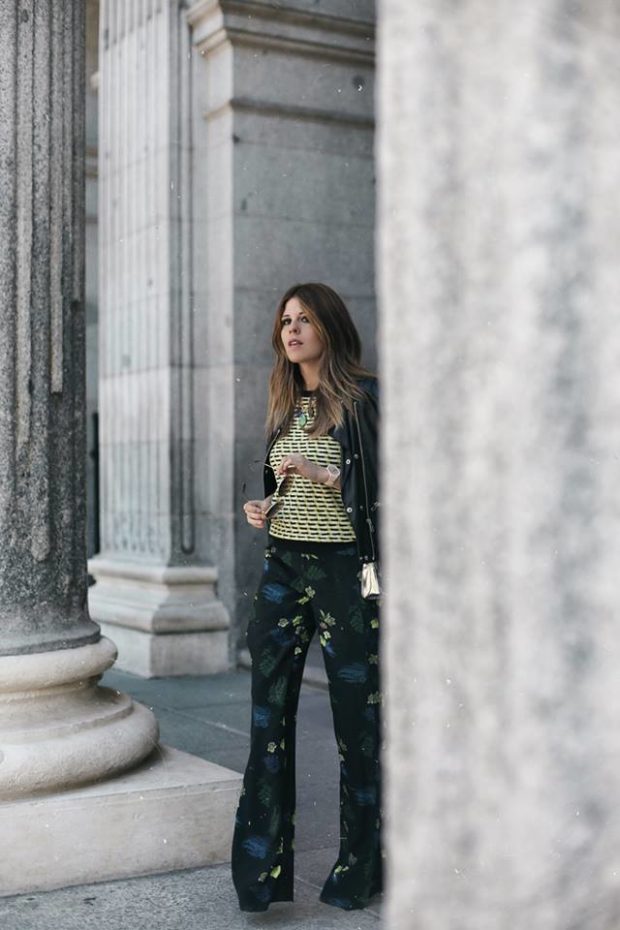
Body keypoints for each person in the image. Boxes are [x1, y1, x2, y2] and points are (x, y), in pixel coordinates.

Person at [231, 282, 382, 912]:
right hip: (283, 566)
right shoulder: (286, 402)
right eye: (285, 321)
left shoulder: (364, 399)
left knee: (356, 721)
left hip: (344, 571)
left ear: (330, 327)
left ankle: (361, 867)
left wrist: (325, 474)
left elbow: (385, 484)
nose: (291, 330)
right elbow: (287, 487)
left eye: (305, 320)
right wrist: (266, 506)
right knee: (267, 716)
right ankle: (260, 874)